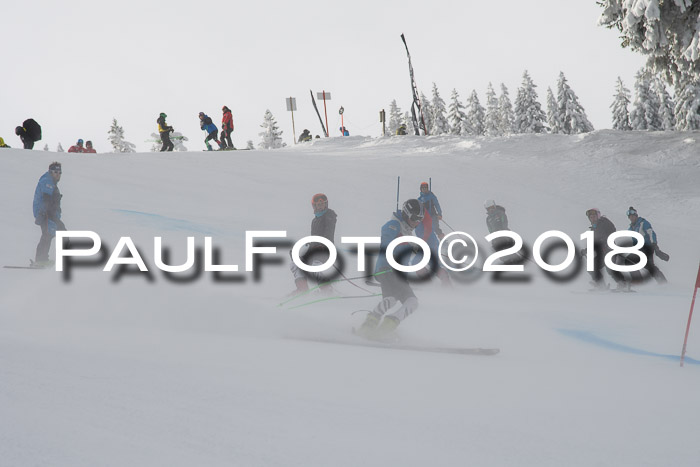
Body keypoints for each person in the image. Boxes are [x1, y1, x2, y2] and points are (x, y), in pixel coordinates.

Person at [356, 199, 423, 339]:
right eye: (415, 218)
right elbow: (386, 242)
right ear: (406, 214)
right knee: (398, 300)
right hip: (386, 268)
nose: (417, 222)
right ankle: (376, 325)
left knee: (405, 301)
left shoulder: (408, 231)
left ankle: (381, 325)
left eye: (420, 219)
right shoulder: (394, 224)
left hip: (397, 273)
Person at [289, 193, 338, 295]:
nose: (320, 207)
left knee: (315, 265)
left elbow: (329, 231)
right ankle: (302, 289)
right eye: (318, 205)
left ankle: (326, 289)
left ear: (326, 205)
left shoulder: (329, 216)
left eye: (322, 204)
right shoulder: (315, 221)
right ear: (314, 206)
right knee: (296, 263)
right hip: (315, 249)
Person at [33, 161, 67, 266]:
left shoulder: (52, 182)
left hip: (49, 213)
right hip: (45, 213)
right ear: (50, 172)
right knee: (48, 233)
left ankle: (63, 258)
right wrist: (44, 214)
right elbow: (46, 200)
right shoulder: (47, 181)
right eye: (55, 172)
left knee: (58, 232)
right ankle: (40, 260)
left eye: (60, 172)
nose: (58, 174)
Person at [583, 208, 626, 291]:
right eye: (591, 217)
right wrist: (585, 250)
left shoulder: (604, 222)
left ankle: (623, 283)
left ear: (598, 216)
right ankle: (600, 285)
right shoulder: (593, 228)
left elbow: (612, 230)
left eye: (594, 216)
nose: (592, 218)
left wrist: (606, 241)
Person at [627, 206, 667, 284]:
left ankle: (663, 282)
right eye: (630, 217)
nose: (631, 218)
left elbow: (651, 233)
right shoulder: (631, 228)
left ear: (636, 215)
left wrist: (654, 244)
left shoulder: (642, 223)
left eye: (633, 216)